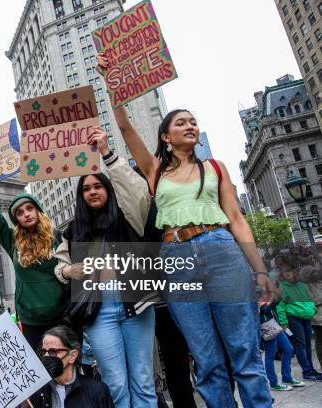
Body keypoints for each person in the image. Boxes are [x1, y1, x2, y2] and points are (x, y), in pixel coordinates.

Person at [96, 51, 274, 408]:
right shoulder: (154, 171)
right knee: (206, 360)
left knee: (244, 353)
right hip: (176, 257)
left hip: (221, 248)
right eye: (181, 122)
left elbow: (237, 220)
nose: (191, 125)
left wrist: (259, 270)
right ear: (165, 136)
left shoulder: (216, 167)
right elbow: (126, 129)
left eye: (194, 121)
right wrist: (111, 81)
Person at [54, 128, 158, 407]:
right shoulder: (74, 230)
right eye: (86, 189)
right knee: (115, 383)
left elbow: (136, 191)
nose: (92, 192)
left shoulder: (129, 217)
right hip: (99, 311)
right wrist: (67, 271)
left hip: (135, 303)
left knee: (144, 380)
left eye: (97, 186)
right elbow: (60, 266)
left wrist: (107, 152)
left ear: (108, 190)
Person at [0, 161, 68, 349]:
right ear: (16, 219)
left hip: (61, 316)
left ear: (38, 210)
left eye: (29, 208)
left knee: (64, 369)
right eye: (19, 212)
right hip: (30, 321)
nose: (25, 214)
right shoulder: (12, 241)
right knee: (40, 374)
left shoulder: (57, 237)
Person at [26, 326, 112, 407]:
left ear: (72, 356)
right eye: (43, 351)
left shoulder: (97, 391)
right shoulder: (39, 393)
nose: (46, 356)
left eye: (53, 351)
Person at [277, 262, 321, 381]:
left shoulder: (302, 285)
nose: (287, 274)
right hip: (293, 318)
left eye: (289, 271)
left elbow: (311, 300)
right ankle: (307, 372)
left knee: (307, 344)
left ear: (295, 272)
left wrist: (312, 310)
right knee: (301, 345)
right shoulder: (282, 286)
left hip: (306, 317)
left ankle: (311, 370)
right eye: (284, 271)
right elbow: (280, 306)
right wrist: (284, 322)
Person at [260, 301, 303, 391]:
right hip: (267, 325)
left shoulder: (266, 291)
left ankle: (287, 378)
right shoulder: (254, 291)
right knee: (270, 355)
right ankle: (273, 383)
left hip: (274, 324)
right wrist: (274, 301)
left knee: (289, 349)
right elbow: (262, 310)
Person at [308, 268, 322, 369]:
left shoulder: (319, 283)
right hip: (317, 317)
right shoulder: (306, 286)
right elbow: (312, 301)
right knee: (319, 340)